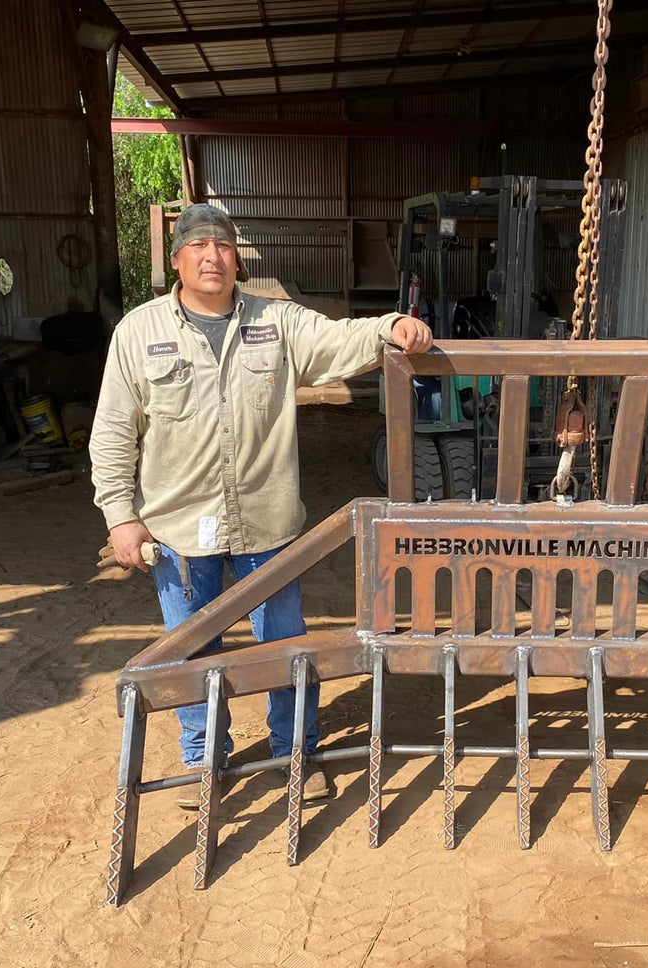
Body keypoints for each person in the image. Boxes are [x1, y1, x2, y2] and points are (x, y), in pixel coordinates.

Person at [90, 204, 432, 802]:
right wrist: (121, 516)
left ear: (237, 259)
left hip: (267, 527)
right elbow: (114, 431)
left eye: (221, 246)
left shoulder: (277, 322)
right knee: (192, 651)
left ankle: (294, 750)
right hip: (176, 534)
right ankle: (204, 760)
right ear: (177, 259)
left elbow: (340, 338)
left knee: (285, 646)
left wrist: (391, 327)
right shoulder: (138, 334)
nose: (210, 257)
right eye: (197, 246)